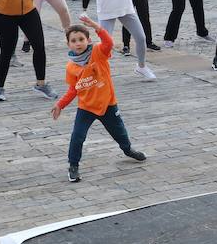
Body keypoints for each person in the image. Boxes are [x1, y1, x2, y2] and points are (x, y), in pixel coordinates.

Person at [52, 16, 147, 183]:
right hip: (86, 108)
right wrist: (60, 104)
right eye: (74, 40)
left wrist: (96, 26)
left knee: (120, 132)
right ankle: (73, 165)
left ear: (88, 40)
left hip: (108, 104)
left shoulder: (98, 52)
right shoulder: (71, 67)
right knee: (77, 136)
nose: (78, 43)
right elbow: (73, 89)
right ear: (69, 45)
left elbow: (109, 43)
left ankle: (127, 150)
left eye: (81, 39)